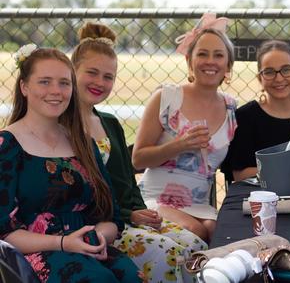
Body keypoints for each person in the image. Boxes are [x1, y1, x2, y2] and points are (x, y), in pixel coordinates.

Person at [72, 22, 207, 282]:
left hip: (128, 216)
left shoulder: (109, 123)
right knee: (169, 254)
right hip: (101, 224)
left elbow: (127, 183)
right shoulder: (64, 127)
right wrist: (128, 215)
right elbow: (82, 193)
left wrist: (142, 212)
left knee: (195, 246)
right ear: (72, 71)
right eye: (92, 73)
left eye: (108, 77)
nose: (100, 82)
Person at [0, 45, 141, 282]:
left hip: (89, 248)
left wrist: (97, 238)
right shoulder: (7, 146)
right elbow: (4, 232)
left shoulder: (83, 143)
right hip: (35, 254)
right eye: (44, 81)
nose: (56, 91)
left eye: (64, 83)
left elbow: (112, 217)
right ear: (24, 87)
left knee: (129, 274)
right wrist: (64, 243)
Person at [132, 14, 237, 243]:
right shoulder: (167, 98)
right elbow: (137, 159)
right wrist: (179, 145)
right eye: (202, 54)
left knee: (221, 234)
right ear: (190, 61)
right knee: (194, 231)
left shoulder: (231, 107)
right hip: (155, 199)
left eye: (218, 55)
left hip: (200, 205)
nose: (210, 61)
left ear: (228, 65)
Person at [222, 40, 290, 182]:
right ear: (260, 79)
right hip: (258, 199)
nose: (279, 78)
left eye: (286, 69)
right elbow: (239, 174)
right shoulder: (245, 117)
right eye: (269, 72)